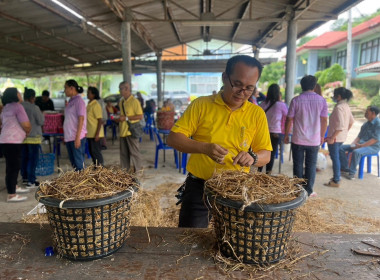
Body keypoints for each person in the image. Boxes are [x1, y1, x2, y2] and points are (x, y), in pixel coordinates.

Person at [167, 55, 272, 228]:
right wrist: (204, 147)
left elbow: (265, 154)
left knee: (233, 242)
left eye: (249, 88)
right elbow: (173, 138)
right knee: (191, 239)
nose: (242, 92)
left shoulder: (256, 114)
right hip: (200, 186)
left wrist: (252, 158)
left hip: (237, 188)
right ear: (224, 77)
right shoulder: (201, 105)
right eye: (237, 84)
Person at [284, 75, 328, 197]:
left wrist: (286, 134)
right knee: (311, 165)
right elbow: (324, 120)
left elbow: (289, 120)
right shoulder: (322, 101)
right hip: (314, 141)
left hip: (298, 139)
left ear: (302, 86)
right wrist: (322, 136)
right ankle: (308, 191)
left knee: (297, 164)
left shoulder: (296, 100)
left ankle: (298, 190)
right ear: (314, 86)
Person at [0, 88, 31, 202]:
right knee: (13, 167)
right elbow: (26, 124)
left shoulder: (5, 108)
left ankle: (14, 186)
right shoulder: (18, 107)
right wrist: (27, 131)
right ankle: (11, 195)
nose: (20, 94)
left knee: (11, 166)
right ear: (15, 95)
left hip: (5, 140)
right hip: (13, 141)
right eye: (18, 92)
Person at [323, 87, 354, 187]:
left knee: (335, 158)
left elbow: (340, 126)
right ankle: (336, 177)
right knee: (336, 157)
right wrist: (344, 132)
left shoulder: (339, 108)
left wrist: (332, 137)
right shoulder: (346, 106)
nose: (333, 97)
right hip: (340, 137)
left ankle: (336, 180)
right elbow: (351, 122)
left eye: (335, 95)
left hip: (335, 138)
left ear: (339, 96)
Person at [339, 105, 380, 180]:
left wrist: (361, 146)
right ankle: (345, 168)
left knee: (356, 152)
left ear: (373, 113)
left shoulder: (378, 124)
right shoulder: (366, 124)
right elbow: (359, 137)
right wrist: (353, 144)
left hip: (372, 147)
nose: (365, 113)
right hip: (361, 145)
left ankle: (351, 173)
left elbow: (375, 139)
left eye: (367, 112)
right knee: (340, 148)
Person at [258, 84, 288, 175]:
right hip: (276, 133)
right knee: (271, 154)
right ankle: (268, 174)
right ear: (278, 93)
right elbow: (287, 117)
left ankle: (259, 172)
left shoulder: (262, 104)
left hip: (263, 132)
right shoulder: (281, 105)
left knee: (261, 152)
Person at [115, 81, 143, 172]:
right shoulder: (122, 101)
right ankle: (124, 172)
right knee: (123, 154)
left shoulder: (135, 101)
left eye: (121, 89)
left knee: (134, 153)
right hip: (123, 130)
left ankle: (138, 172)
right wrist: (119, 118)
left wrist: (126, 118)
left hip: (131, 130)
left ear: (127, 89)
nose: (119, 91)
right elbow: (122, 115)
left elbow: (140, 116)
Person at [21, 88, 45, 188]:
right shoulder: (34, 108)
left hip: (22, 137)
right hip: (34, 137)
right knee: (33, 159)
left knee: (24, 158)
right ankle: (31, 180)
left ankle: (25, 178)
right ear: (32, 98)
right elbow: (41, 121)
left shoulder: (20, 107)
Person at [63, 79, 87, 171]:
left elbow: (81, 119)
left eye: (66, 88)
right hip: (70, 136)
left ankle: (83, 184)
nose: (64, 90)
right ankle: (78, 183)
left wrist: (77, 137)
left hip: (76, 136)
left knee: (79, 164)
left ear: (72, 88)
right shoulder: (71, 101)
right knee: (74, 163)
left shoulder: (79, 101)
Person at [87, 87, 104, 166]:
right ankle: (96, 168)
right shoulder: (89, 104)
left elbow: (100, 120)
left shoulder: (96, 105)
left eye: (89, 92)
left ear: (93, 94)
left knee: (96, 152)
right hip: (90, 133)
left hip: (95, 133)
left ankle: (101, 170)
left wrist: (97, 134)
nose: (87, 94)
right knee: (92, 152)